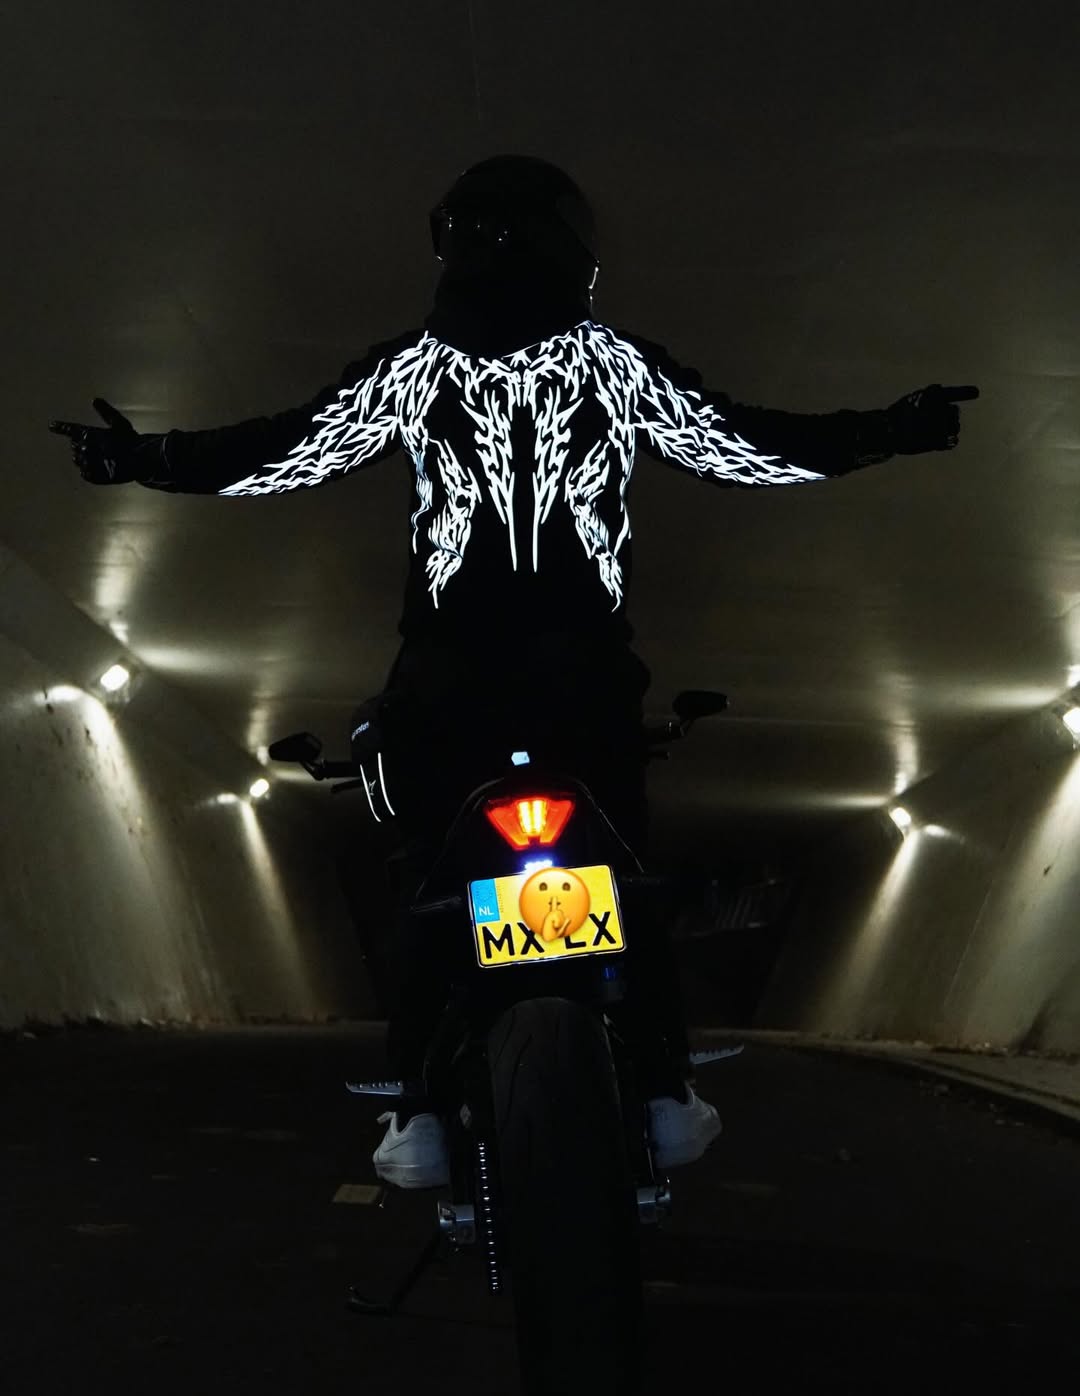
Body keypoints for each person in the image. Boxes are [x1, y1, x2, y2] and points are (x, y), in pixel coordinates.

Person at [50, 154, 978, 1188]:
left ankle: (418, 1111)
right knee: (620, 868)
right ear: (573, 251)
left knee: (430, 878)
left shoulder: (413, 372)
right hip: (584, 674)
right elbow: (743, 446)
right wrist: (888, 432)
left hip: (448, 674)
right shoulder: (615, 368)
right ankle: (665, 1089)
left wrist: (149, 461)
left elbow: (287, 451)